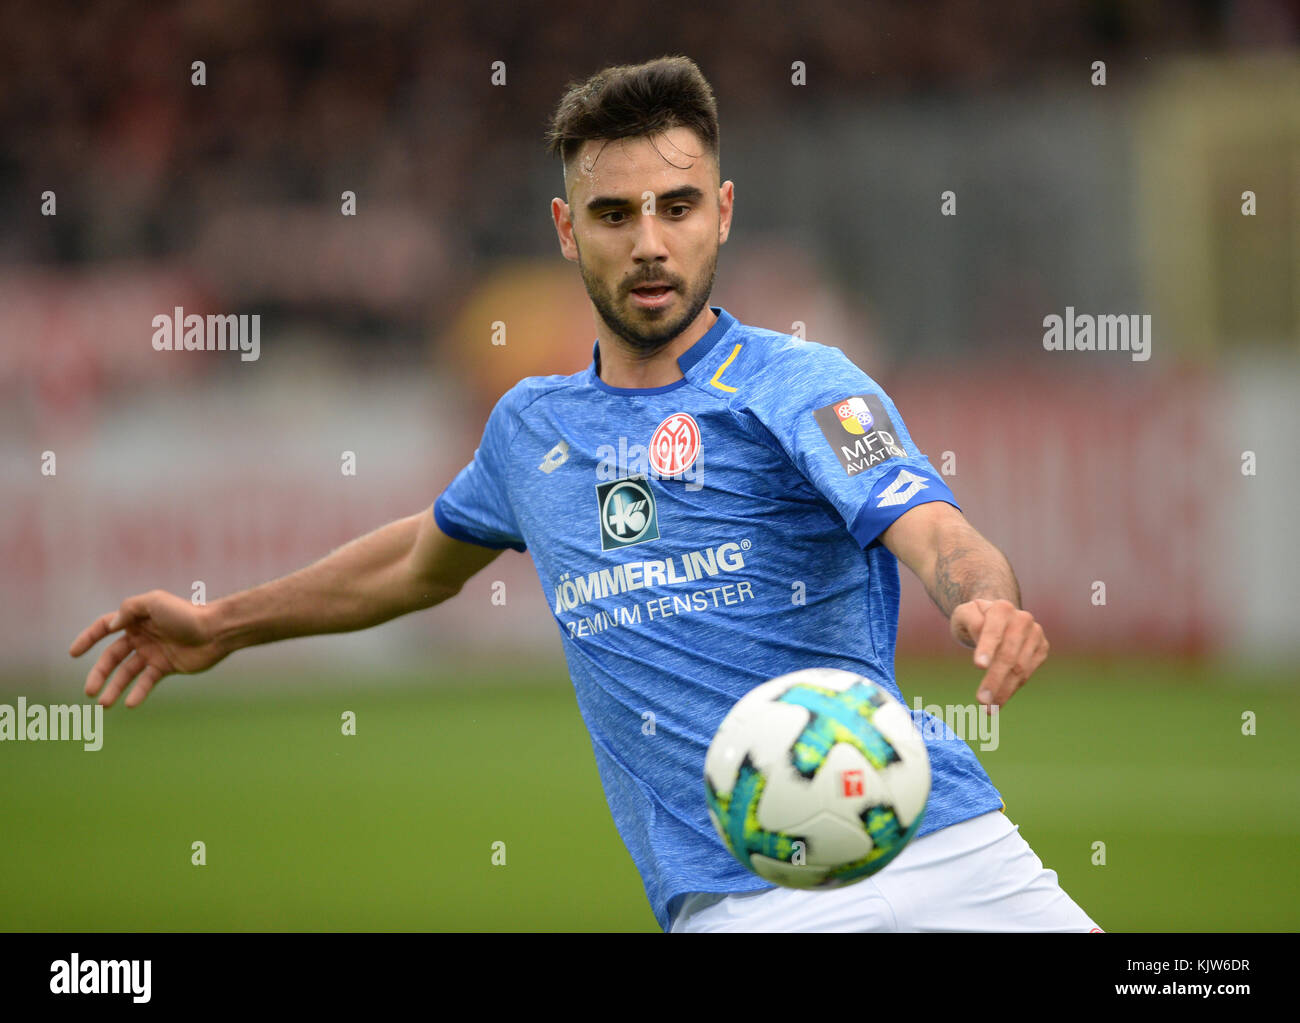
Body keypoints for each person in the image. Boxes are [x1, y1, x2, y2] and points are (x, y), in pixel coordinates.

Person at [70, 55, 1100, 933]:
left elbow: (930, 527)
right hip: (748, 897)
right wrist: (223, 624)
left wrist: (983, 598)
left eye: (677, 207)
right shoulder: (530, 429)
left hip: (940, 844)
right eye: (614, 214)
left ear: (722, 214)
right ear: (567, 229)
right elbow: (416, 562)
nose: (648, 241)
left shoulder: (801, 384)